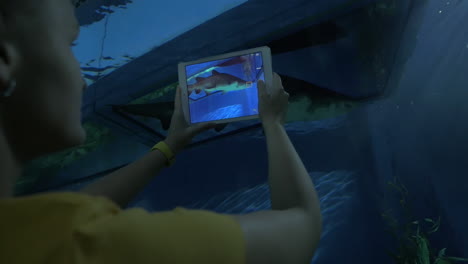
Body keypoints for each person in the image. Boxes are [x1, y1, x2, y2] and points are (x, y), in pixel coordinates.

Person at [0, 0, 322, 263]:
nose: (82, 79)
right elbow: (303, 222)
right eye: (69, 44)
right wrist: (273, 123)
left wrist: (170, 146)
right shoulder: (102, 247)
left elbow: (68, 212)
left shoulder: (20, 236)